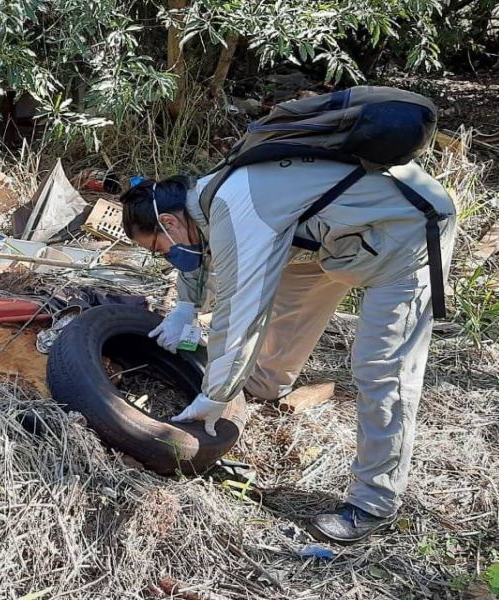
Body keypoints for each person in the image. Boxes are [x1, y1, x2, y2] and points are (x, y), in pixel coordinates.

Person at [119, 158, 456, 543]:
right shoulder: (208, 198)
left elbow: (239, 314)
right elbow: (203, 258)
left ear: (171, 222)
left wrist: (215, 394)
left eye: (159, 248)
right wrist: (185, 305)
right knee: (293, 291)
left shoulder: (234, 211)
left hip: (405, 227)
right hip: (341, 231)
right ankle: (265, 383)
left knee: (382, 370)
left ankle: (374, 503)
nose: (165, 256)